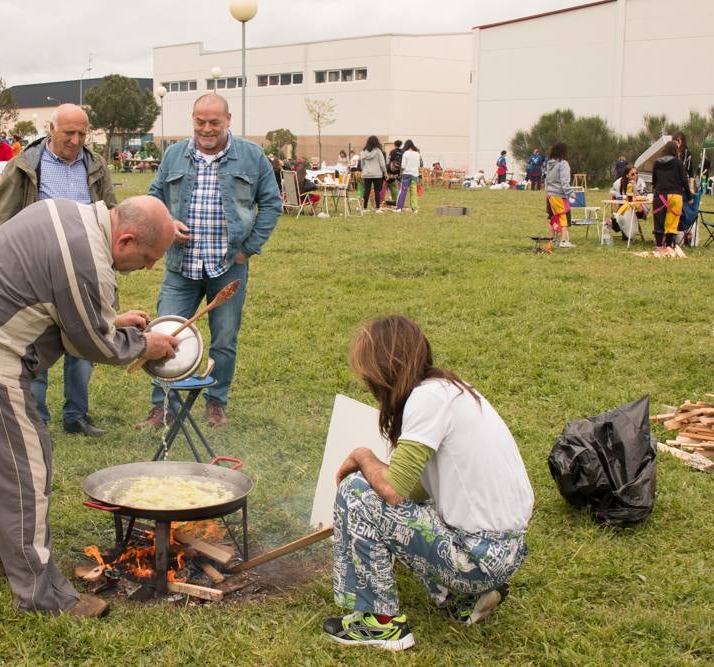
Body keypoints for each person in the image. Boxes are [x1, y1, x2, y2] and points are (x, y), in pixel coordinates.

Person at [0, 195, 181, 618]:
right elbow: (92, 343)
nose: (148, 268)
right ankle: (43, 596)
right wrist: (147, 343)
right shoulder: (86, 260)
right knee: (23, 466)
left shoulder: (69, 213)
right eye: (149, 258)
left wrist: (108, 319)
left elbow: (63, 304)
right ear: (125, 239)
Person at [322, 315, 532, 651]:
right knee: (389, 500)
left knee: (358, 492)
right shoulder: (450, 391)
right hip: (506, 550)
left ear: (384, 369)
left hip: (477, 556)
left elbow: (391, 490)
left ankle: (380, 624)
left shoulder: (426, 399)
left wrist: (364, 457)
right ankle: (465, 596)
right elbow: (416, 491)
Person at [137, 93, 282, 429]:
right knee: (166, 335)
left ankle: (215, 403)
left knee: (224, 339)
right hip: (181, 267)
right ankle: (163, 408)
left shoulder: (251, 155)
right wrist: (167, 225)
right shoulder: (173, 155)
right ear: (192, 119)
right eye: (200, 121)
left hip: (228, 265)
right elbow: (154, 197)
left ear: (228, 120)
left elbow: (271, 204)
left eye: (214, 122)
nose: (206, 128)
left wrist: (249, 248)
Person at [0, 103, 118, 438]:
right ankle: (37, 419)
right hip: (36, 271)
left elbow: (113, 215)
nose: (76, 140)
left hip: (84, 270)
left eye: (81, 133)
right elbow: (2, 220)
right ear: (51, 129)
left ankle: (76, 416)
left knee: (85, 344)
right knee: (36, 346)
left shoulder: (96, 166)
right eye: (68, 133)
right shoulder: (24, 167)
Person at [651, 140, 692, 253]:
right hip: (675, 196)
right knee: (672, 223)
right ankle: (669, 246)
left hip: (660, 196)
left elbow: (654, 181)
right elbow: (684, 181)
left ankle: (659, 247)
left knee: (659, 222)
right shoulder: (678, 163)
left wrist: (655, 190)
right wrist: (689, 197)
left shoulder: (656, 163)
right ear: (675, 150)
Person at [545, 141, 576, 248]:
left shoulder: (550, 163)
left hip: (550, 195)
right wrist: (570, 192)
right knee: (563, 216)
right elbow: (564, 181)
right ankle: (563, 241)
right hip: (559, 195)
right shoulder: (563, 164)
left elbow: (547, 180)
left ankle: (551, 240)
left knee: (553, 217)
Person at [608, 165, 648, 240]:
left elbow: (644, 196)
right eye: (632, 174)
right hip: (624, 206)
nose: (635, 175)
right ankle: (620, 228)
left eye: (636, 173)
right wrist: (618, 195)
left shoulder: (640, 181)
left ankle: (616, 224)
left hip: (639, 208)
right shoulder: (619, 181)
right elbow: (611, 191)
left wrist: (635, 188)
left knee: (624, 212)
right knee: (623, 211)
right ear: (627, 175)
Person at [360, 136, 387, 213]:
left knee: (366, 191)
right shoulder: (378, 151)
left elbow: (362, 164)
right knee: (377, 191)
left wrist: (363, 170)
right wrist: (385, 172)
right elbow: (382, 164)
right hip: (377, 174)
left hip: (366, 174)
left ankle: (364, 208)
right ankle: (377, 208)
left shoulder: (363, 152)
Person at [394, 140, 420, 213]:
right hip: (414, 175)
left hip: (406, 174)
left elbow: (403, 166)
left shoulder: (406, 153)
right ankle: (415, 209)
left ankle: (399, 208)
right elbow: (418, 165)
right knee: (413, 192)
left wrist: (400, 173)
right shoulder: (417, 154)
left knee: (403, 191)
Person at [385, 140, 403, 206]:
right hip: (398, 171)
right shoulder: (403, 152)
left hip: (390, 169)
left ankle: (382, 202)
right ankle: (396, 200)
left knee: (386, 186)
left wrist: (387, 168)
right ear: (401, 145)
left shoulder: (392, 151)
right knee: (396, 187)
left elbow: (387, 160)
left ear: (394, 145)